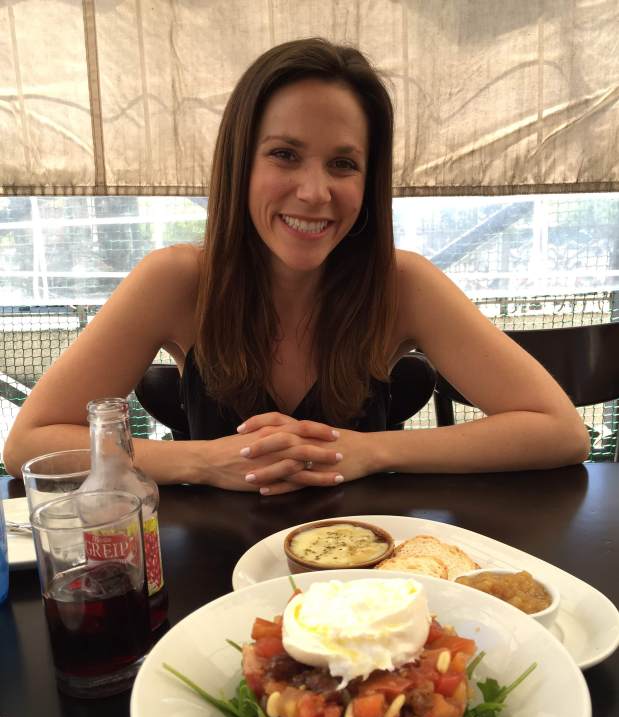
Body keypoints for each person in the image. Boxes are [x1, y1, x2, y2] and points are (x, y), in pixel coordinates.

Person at [3, 38, 589, 494]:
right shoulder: (176, 280)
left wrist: (372, 450)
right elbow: (29, 443)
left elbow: (559, 431)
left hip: (361, 580)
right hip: (217, 582)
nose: (314, 192)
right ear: (240, 165)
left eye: (343, 164)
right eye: (284, 155)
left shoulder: (402, 284)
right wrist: (201, 461)